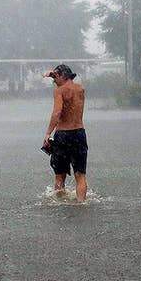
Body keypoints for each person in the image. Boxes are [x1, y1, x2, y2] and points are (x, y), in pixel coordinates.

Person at [42, 64, 89, 202]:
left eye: (55, 77)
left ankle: (59, 204)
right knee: (80, 175)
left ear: (62, 75)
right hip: (79, 134)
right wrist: (54, 74)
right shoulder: (80, 89)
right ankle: (82, 204)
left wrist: (48, 133)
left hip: (63, 135)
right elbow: (65, 82)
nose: (53, 81)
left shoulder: (59, 91)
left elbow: (57, 113)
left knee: (59, 176)